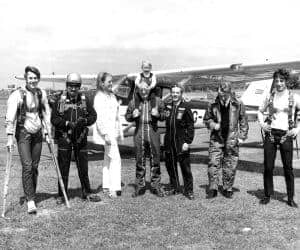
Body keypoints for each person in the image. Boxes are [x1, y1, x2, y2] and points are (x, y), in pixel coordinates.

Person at [5, 66, 51, 214]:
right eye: (30, 78)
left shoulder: (41, 93)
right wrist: (10, 137)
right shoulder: (17, 94)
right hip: (23, 132)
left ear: (38, 78)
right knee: (27, 165)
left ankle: (31, 193)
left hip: (37, 132)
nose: (33, 80)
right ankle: (30, 200)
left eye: (35, 78)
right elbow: (10, 116)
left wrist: (47, 132)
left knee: (35, 166)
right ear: (26, 78)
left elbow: (45, 113)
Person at [51, 73, 101, 204]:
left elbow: (93, 116)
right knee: (63, 167)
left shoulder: (85, 100)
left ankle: (87, 192)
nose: (73, 89)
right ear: (67, 86)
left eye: (76, 86)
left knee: (83, 167)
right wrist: (67, 123)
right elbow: (54, 119)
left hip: (80, 137)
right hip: (65, 137)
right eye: (71, 86)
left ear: (79, 87)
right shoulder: (59, 101)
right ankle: (62, 195)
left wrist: (84, 121)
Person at [258, 68, 300, 208]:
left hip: (286, 134)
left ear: (286, 81)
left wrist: (297, 128)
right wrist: (263, 125)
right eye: (276, 80)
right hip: (271, 134)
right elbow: (260, 111)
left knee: (288, 168)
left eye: (281, 80)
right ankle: (267, 194)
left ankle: (290, 197)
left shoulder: (294, 97)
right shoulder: (270, 96)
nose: (279, 83)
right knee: (268, 167)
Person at [204, 81, 248, 199]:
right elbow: (207, 119)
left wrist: (242, 137)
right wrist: (213, 125)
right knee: (213, 163)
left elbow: (243, 121)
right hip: (216, 139)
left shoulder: (238, 104)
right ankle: (213, 188)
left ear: (229, 92)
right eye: (220, 94)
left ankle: (227, 188)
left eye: (224, 94)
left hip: (232, 139)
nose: (222, 96)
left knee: (230, 164)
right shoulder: (212, 104)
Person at [125, 81, 165, 197]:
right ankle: (140, 186)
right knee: (139, 159)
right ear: (138, 89)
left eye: (145, 88)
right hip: (139, 130)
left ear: (149, 88)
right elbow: (127, 117)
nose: (143, 91)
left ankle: (155, 186)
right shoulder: (134, 102)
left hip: (153, 130)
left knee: (155, 159)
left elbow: (164, 114)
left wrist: (158, 115)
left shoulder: (157, 101)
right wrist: (132, 115)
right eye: (140, 89)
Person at [93, 72, 123, 198]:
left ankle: (106, 185)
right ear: (102, 83)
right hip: (106, 133)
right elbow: (99, 118)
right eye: (109, 81)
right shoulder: (98, 97)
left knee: (108, 158)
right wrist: (105, 134)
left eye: (111, 81)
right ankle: (114, 188)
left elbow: (115, 115)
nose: (111, 84)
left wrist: (117, 131)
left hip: (113, 131)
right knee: (116, 159)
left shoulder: (112, 96)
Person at [164, 84, 195, 199]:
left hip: (181, 142)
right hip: (169, 141)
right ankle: (175, 187)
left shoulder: (186, 107)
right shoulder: (167, 106)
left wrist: (187, 141)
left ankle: (189, 190)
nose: (175, 95)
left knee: (185, 168)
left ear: (181, 94)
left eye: (177, 92)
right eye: (173, 92)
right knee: (171, 166)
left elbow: (190, 126)